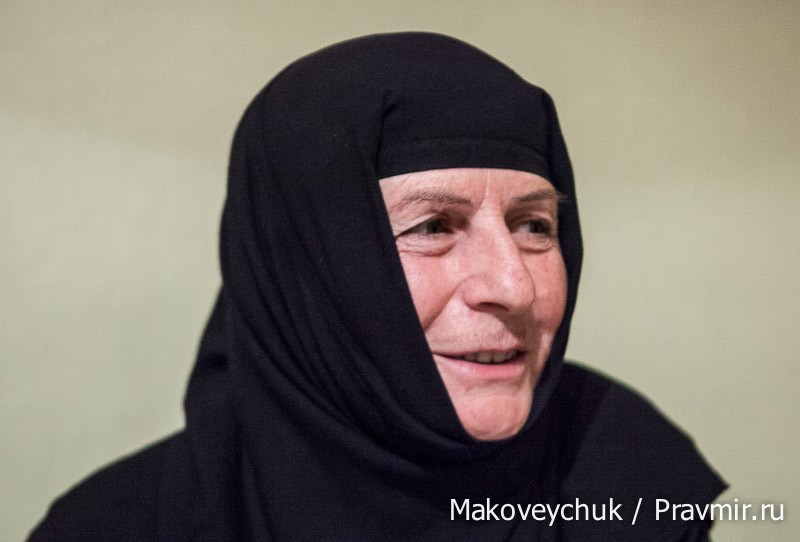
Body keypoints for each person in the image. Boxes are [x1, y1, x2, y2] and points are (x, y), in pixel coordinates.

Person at [28, 32, 725, 541]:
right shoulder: (116, 526)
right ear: (306, 266)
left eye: (534, 226)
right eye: (433, 226)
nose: (514, 286)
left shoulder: (627, 478)